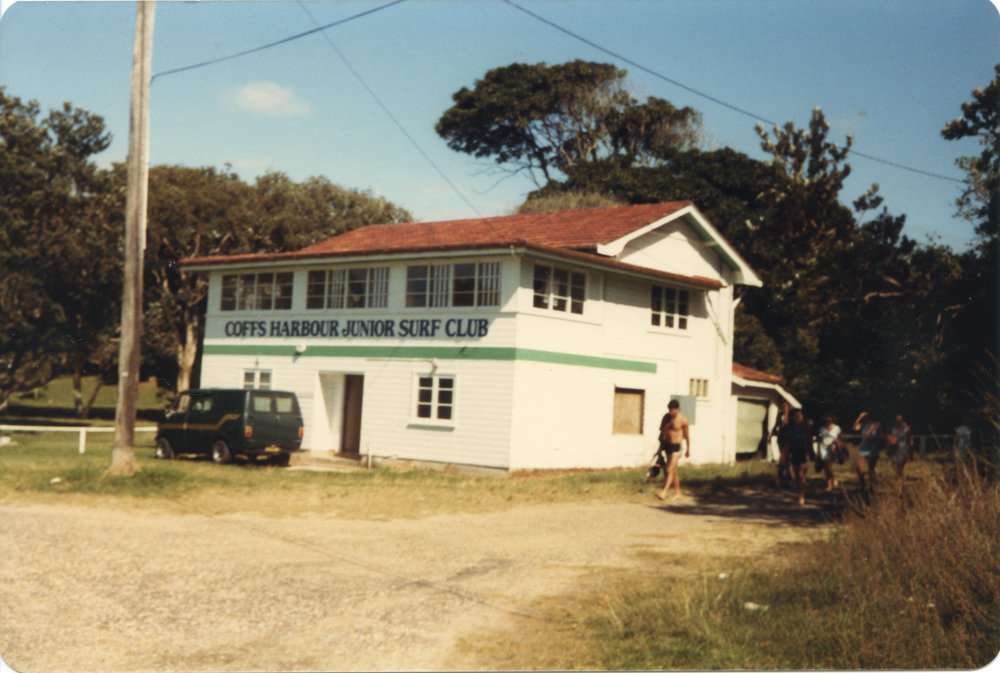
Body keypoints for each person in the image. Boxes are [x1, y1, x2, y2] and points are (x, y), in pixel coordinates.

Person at [656, 400, 690, 501]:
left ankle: (664, 492)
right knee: (673, 471)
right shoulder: (666, 418)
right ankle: (678, 493)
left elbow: (687, 436)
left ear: (678, 409)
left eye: (673, 410)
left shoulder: (683, 420)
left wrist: (688, 449)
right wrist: (660, 447)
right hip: (667, 446)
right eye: (669, 410)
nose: (671, 412)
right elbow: (662, 433)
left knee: (669, 469)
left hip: (677, 447)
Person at [780, 409, 811, 506]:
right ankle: (799, 494)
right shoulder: (790, 428)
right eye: (796, 416)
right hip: (794, 453)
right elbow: (787, 444)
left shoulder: (806, 427)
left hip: (804, 454)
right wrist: (783, 457)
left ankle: (801, 496)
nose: (798, 417)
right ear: (793, 417)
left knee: (801, 475)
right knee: (797, 476)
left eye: (800, 415)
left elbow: (810, 440)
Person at [853, 412, 884, 492]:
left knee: (871, 469)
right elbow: (854, 427)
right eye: (864, 417)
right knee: (858, 466)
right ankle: (862, 484)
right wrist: (859, 417)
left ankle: (872, 486)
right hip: (863, 446)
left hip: (872, 447)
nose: (865, 418)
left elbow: (881, 435)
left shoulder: (876, 424)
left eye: (866, 416)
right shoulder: (863, 425)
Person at [816, 415, 842, 491]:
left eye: (829, 418)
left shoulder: (837, 428)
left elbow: (839, 439)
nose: (827, 420)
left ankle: (834, 479)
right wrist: (818, 451)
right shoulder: (822, 429)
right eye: (826, 418)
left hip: (832, 448)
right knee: (826, 467)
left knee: (829, 466)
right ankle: (829, 484)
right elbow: (820, 439)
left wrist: (838, 446)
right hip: (823, 448)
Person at [888, 413, 912, 492]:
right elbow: (888, 436)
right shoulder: (892, 427)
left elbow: (910, 440)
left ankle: (899, 486)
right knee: (894, 467)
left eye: (900, 416)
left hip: (903, 449)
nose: (898, 418)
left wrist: (910, 452)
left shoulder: (906, 428)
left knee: (900, 468)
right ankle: (898, 483)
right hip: (894, 449)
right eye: (897, 416)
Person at [771, 401, 792, 489]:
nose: (784, 409)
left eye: (785, 407)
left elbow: (791, 425)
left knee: (783, 458)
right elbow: (776, 424)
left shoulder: (791, 416)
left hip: (788, 438)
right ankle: (786, 479)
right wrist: (771, 435)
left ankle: (779, 478)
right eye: (783, 407)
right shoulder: (779, 415)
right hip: (781, 438)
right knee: (784, 459)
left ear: (788, 408)